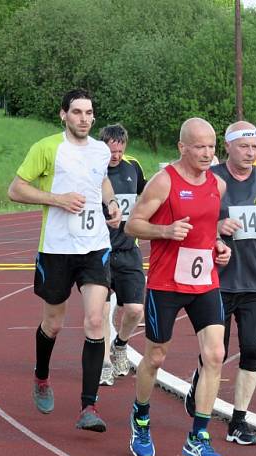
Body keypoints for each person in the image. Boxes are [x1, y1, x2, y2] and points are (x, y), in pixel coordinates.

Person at [7, 89, 122, 432]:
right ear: (63, 115)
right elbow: (16, 189)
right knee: (54, 323)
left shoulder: (102, 151)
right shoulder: (46, 148)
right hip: (57, 249)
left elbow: (100, 180)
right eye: (77, 112)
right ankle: (41, 376)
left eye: (89, 113)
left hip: (95, 247)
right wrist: (56, 199)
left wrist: (112, 204)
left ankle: (89, 407)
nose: (84, 118)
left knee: (95, 320)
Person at [124, 117, 232, 456]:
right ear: (182, 147)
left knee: (215, 355)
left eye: (211, 146)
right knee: (155, 357)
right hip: (166, 284)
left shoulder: (218, 184)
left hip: (205, 282)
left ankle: (199, 435)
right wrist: (165, 231)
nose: (206, 152)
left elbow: (207, 227)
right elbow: (132, 225)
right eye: (199, 146)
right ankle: (140, 419)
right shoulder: (163, 182)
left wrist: (218, 245)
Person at [184, 121, 256, 446]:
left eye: (255, 146)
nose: (250, 152)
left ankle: (238, 421)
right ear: (227, 147)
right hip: (214, 280)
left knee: (253, 350)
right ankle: (199, 384)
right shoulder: (211, 178)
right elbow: (188, 221)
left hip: (254, 280)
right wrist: (217, 226)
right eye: (244, 146)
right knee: (215, 354)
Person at [96, 124, 146, 387]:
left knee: (136, 310)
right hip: (100, 251)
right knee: (102, 312)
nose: (115, 155)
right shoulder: (93, 168)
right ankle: (104, 364)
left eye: (120, 149)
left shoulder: (133, 167)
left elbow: (147, 196)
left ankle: (120, 345)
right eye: (111, 150)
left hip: (129, 249)